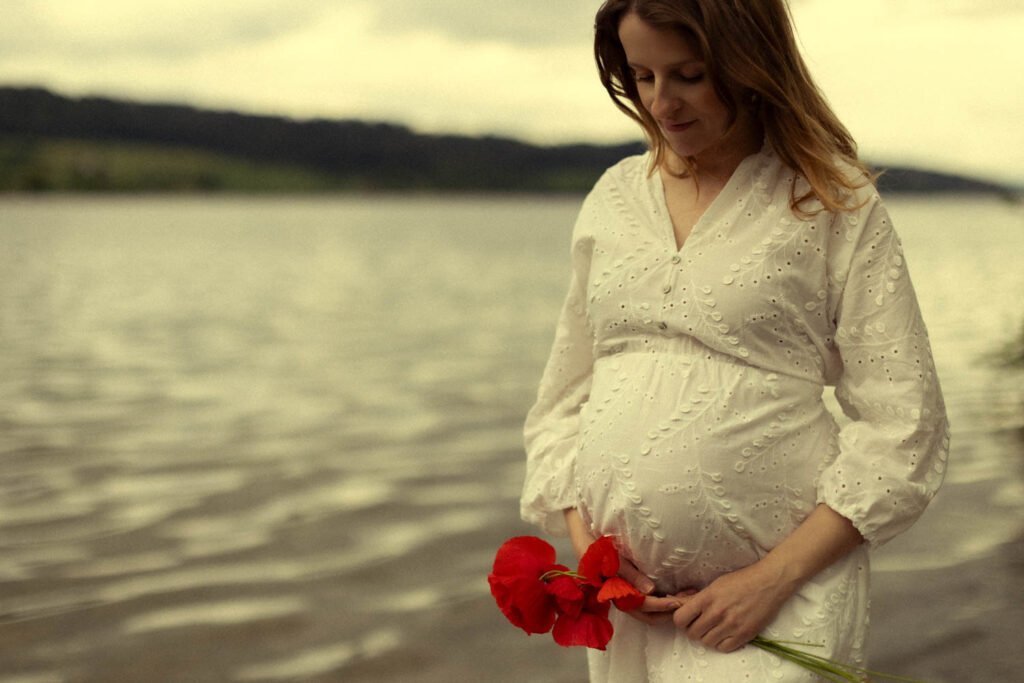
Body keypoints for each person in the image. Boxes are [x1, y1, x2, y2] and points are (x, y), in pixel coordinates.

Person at [519, 1, 950, 680]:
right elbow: (563, 398)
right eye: (642, 76)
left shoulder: (830, 201)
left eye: (688, 74)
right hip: (633, 617)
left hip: (776, 604)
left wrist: (769, 580)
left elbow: (904, 426)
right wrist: (594, 552)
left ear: (750, 64)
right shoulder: (613, 197)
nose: (662, 102)